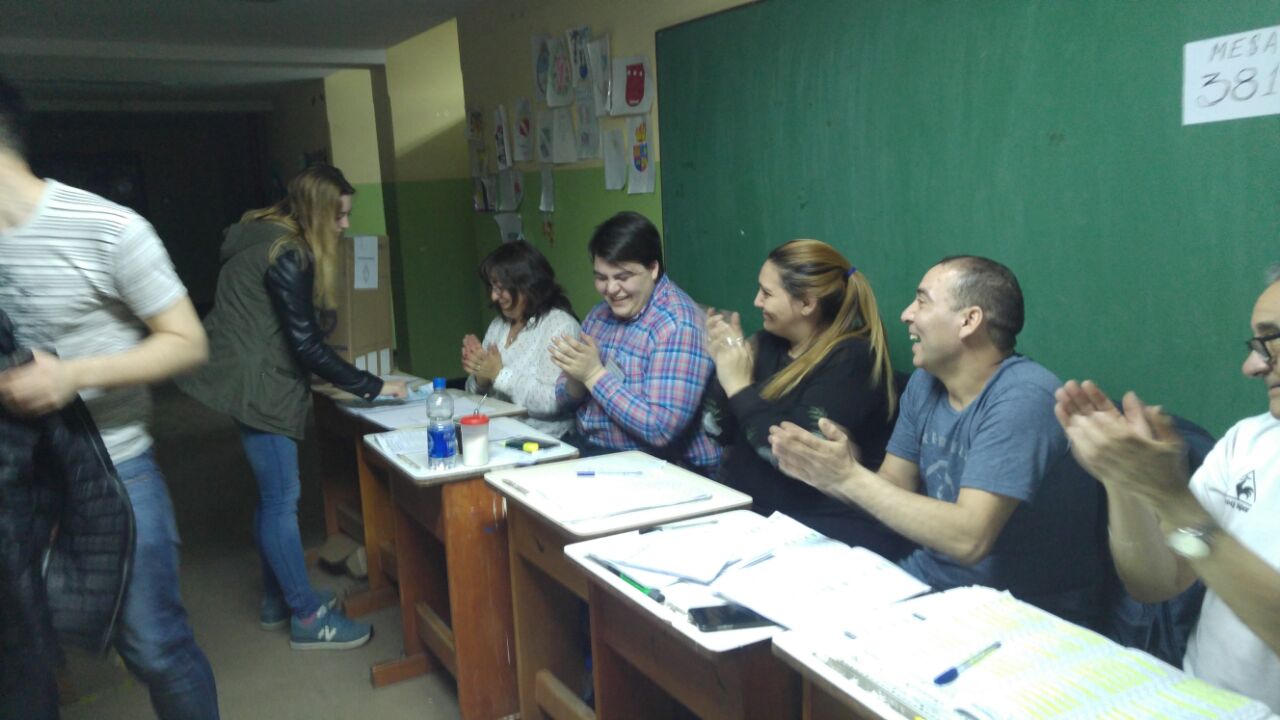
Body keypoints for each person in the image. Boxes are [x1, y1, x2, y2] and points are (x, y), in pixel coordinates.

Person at [0, 75, 219, 718]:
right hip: (16, 480)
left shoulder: (106, 229)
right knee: (24, 658)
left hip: (116, 467)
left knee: (154, 647)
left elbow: (187, 342)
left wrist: (70, 376)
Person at [768, 256, 1103, 626]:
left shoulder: (1024, 396)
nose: (906, 315)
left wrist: (850, 478)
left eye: (922, 301)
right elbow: (892, 487)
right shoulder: (926, 383)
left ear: (969, 321)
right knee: (792, 612)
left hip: (1023, 610)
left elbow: (970, 539)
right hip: (933, 581)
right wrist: (828, 471)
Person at [177, 165, 405, 651]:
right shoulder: (290, 254)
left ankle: (276, 600)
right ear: (318, 212)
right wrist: (375, 385)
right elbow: (305, 346)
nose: (345, 226)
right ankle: (305, 617)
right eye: (340, 216)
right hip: (262, 385)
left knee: (269, 498)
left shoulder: (259, 233)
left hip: (236, 374)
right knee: (282, 501)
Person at [1054, 265, 1280, 711]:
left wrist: (1173, 500)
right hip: (1194, 699)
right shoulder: (1248, 442)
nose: (1252, 366)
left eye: (1271, 341)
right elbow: (1162, 579)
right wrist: (1126, 484)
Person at [702, 240, 907, 557]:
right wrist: (723, 366)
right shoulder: (768, 343)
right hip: (748, 515)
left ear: (807, 303)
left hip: (815, 530)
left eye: (767, 293)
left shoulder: (853, 359)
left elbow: (795, 459)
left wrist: (739, 387)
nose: (757, 301)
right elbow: (715, 429)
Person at [550, 212, 720, 475]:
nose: (611, 289)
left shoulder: (677, 325)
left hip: (662, 468)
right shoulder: (599, 315)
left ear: (653, 269)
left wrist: (593, 375)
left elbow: (660, 429)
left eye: (623, 277)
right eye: (601, 278)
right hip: (594, 453)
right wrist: (576, 379)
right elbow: (563, 398)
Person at [462, 241, 580, 437]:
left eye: (500, 288)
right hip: (499, 433)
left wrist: (499, 375)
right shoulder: (498, 326)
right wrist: (480, 378)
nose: (493, 296)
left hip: (545, 440)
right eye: (492, 287)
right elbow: (474, 397)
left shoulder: (559, 326)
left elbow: (554, 402)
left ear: (526, 285)